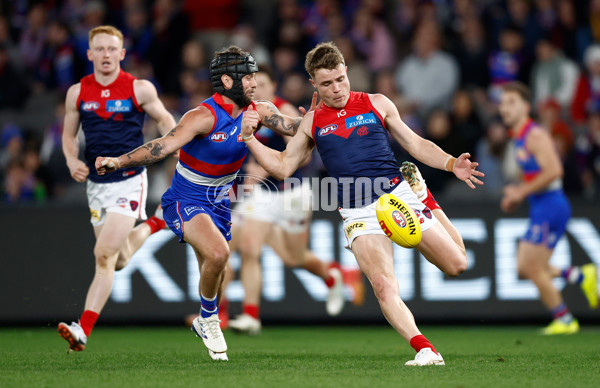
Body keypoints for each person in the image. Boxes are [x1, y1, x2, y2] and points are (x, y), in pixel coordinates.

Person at [240, 41, 484, 366]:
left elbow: (415, 143)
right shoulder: (313, 122)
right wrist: (248, 139)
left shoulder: (376, 103)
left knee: (457, 265)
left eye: (341, 78)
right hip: (357, 212)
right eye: (327, 83)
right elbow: (284, 166)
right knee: (383, 286)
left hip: (398, 196)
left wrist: (453, 164)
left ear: (346, 71)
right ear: (314, 84)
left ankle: (427, 197)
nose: (337, 88)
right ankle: (425, 349)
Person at [95, 45, 305, 361]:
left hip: (220, 202)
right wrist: (118, 161)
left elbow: (295, 127)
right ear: (228, 81)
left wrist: (319, 118)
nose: (254, 83)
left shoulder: (258, 111)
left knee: (213, 267)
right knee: (220, 253)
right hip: (185, 198)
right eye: (247, 77)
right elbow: (161, 146)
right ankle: (207, 319)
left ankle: (207, 319)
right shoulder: (203, 116)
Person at [57, 26, 177, 353]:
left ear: (122, 54)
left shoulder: (138, 89)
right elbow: (68, 135)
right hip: (97, 185)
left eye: (113, 49)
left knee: (104, 255)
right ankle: (157, 223)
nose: (106, 55)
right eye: (100, 49)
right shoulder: (77, 92)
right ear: (90, 54)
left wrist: (175, 150)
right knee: (119, 260)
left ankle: (82, 329)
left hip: (129, 179)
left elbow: (167, 122)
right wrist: (71, 160)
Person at [223, 65, 363, 334]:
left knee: (293, 257)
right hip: (265, 194)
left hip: (293, 193)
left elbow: (301, 154)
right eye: (252, 84)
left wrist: (261, 169)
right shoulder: (245, 111)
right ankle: (251, 316)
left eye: (262, 84)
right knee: (250, 248)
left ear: (274, 87)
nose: (256, 89)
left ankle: (332, 275)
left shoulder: (281, 110)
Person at [498, 81, 598, 335]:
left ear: (526, 107)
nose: (504, 108)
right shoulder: (519, 137)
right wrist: (517, 191)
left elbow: (555, 170)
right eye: (502, 103)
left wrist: (520, 191)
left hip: (551, 205)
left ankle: (564, 319)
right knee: (525, 266)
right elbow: (536, 175)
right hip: (542, 205)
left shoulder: (535, 135)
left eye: (511, 102)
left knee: (531, 266)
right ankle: (578, 275)